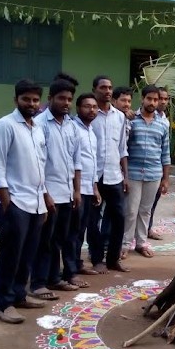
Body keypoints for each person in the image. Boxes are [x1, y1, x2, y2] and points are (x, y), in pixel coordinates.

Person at [0, 80, 48, 324]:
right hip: (13, 203)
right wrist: (6, 204)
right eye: (26, 99)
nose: (31, 104)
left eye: (35, 100)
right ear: (16, 100)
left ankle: (20, 294)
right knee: (10, 254)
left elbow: (40, 166)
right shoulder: (5, 126)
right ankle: (3, 304)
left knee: (27, 254)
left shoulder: (37, 129)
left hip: (34, 203)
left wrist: (43, 201)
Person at [30, 79, 83, 300]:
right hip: (48, 193)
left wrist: (77, 190)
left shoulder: (71, 125)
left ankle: (54, 278)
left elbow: (76, 160)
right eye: (61, 98)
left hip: (67, 192)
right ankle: (38, 283)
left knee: (59, 239)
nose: (66, 103)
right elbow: (38, 162)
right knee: (45, 241)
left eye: (69, 99)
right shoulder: (40, 124)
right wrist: (45, 193)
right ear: (50, 98)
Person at [122, 85, 171, 258]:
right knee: (131, 210)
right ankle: (126, 244)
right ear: (142, 99)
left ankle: (141, 243)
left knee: (145, 210)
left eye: (155, 100)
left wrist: (165, 179)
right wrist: (124, 175)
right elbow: (124, 149)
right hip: (133, 173)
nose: (152, 102)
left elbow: (165, 152)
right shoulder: (130, 120)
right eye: (149, 99)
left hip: (154, 173)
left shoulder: (162, 124)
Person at [90, 75, 130, 273]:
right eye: (103, 87)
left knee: (119, 218)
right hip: (94, 178)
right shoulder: (89, 115)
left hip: (115, 176)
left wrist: (126, 176)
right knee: (93, 221)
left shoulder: (120, 117)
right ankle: (97, 259)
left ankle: (113, 259)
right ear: (95, 90)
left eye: (110, 87)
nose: (107, 91)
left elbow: (122, 148)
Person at [72, 93, 103, 276]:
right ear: (78, 108)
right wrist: (76, 189)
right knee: (74, 231)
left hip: (88, 187)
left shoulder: (91, 131)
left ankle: (77, 263)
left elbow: (92, 162)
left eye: (94, 107)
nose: (91, 110)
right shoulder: (74, 129)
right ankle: (72, 268)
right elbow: (74, 162)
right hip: (77, 189)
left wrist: (95, 187)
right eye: (87, 106)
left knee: (82, 228)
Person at [147, 86, 171, 241]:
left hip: (156, 170)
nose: (162, 102)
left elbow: (165, 150)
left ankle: (147, 229)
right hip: (139, 170)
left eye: (165, 99)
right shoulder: (143, 116)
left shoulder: (164, 121)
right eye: (158, 98)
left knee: (152, 204)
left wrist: (165, 178)